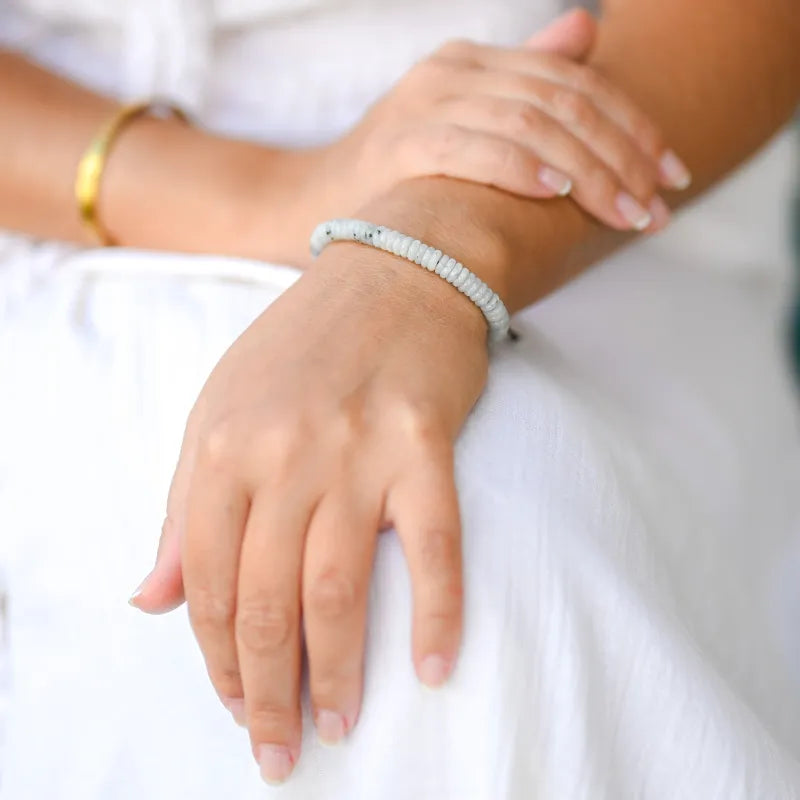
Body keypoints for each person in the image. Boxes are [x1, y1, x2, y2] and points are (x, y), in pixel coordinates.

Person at [0, 0, 798, 797]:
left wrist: (431, 248)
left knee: (440, 572)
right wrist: (276, 195)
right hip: (43, 208)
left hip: (554, 196)